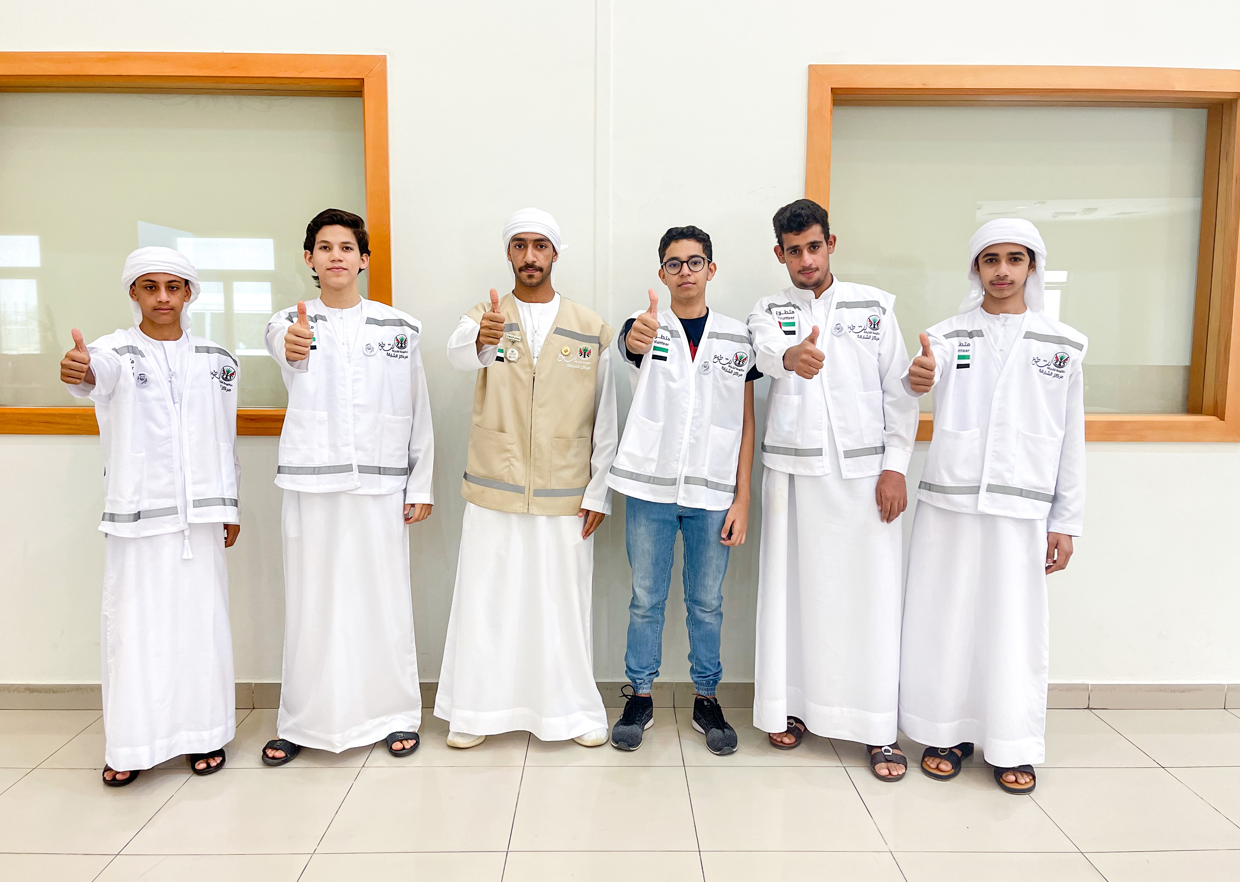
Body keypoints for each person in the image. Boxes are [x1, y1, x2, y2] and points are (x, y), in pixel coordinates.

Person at [899, 218, 1086, 795]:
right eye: (990, 259)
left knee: (1013, 628)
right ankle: (944, 733)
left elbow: (1071, 439)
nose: (1002, 271)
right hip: (950, 504)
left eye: (1014, 259)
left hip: (1022, 508)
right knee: (945, 620)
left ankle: (1012, 743)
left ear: (1032, 267)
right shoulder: (945, 336)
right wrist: (915, 379)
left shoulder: (1063, 346)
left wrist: (1066, 521)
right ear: (976, 268)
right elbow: (910, 387)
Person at [748, 199, 918, 781]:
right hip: (793, 479)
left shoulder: (875, 307)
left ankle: (875, 728)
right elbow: (764, 352)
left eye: (814, 247)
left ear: (831, 244)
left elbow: (900, 392)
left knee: (868, 601)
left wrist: (896, 468)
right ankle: (792, 707)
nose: (806, 260)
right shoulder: (769, 309)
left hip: (865, 480)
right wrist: (790, 356)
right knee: (794, 597)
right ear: (780, 254)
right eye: (794, 251)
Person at [436, 207, 617, 748]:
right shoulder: (485, 316)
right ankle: (475, 713)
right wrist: (481, 338)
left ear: (555, 253)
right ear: (509, 253)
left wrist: (599, 492)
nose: (530, 256)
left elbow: (605, 416)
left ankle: (571, 713)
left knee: (562, 607)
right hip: (495, 486)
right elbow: (460, 354)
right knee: (487, 603)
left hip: (567, 492)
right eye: (520, 245)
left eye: (540, 245)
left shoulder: (590, 327)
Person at [61, 246, 240, 786]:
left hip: (203, 518)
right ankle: (133, 744)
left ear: (189, 293)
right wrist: (81, 370)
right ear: (133, 293)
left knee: (201, 630)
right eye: (150, 286)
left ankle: (204, 735)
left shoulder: (217, 359)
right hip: (138, 519)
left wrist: (229, 503)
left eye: (173, 286)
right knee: (134, 633)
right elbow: (93, 375)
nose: (162, 297)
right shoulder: (113, 351)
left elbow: (224, 435)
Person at [260, 208, 434, 766]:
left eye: (346, 248)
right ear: (309, 258)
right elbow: (287, 347)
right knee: (312, 605)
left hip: (381, 487)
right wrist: (293, 342)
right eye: (325, 247)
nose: (336, 256)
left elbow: (417, 409)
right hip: (313, 485)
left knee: (384, 603)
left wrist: (420, 484)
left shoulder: (399, 328)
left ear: (363, 259)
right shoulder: (288, 321)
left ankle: (395, 714)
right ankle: (303, 721)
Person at [607, 225, 757, 755]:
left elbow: (746, 421)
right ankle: (640, 695)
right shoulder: (646, 326)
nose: (685, 272)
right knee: (645, 600)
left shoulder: (738, 338)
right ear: (662, 273)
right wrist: (634, 336)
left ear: (711, 269)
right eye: (674, 263)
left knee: (707, 602)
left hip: (713, 495)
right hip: (650, 489)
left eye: (695, 262)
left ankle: (707, 698)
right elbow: (630, 343)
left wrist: (743, 498)